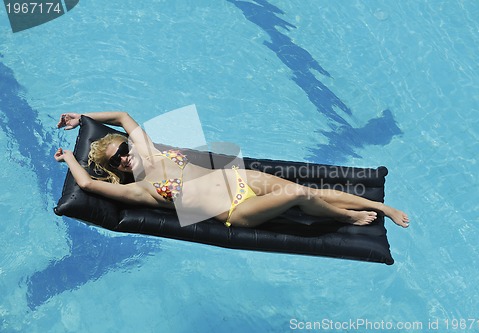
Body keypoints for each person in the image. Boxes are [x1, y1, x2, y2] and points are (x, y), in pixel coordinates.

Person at [54, 111, 410, 228]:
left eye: (123, 148)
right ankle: (348, 218)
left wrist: (82, 117)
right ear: (116, 170)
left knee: (310, 191)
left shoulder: (149, 151)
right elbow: (86, 185)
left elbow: (120, 116)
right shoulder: (138, 189)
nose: (123, 156)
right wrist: (69, 158)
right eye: (115, 160)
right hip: (236, 210)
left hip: (239, 180)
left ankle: (380, 207)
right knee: (298, 193)